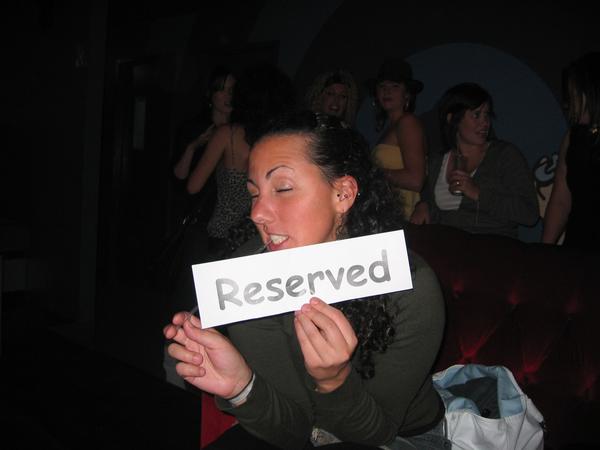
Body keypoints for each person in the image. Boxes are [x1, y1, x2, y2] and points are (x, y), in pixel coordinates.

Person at [164, 111, 448, 449]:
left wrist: (334, 381)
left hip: (403, 435)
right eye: (254, 193)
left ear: (343, 194)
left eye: (283, 188)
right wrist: (242, 386)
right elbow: (296, 431)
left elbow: (376, 434)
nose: (257, 213)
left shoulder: (410, 286)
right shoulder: (248, 277)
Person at [185, 62, 295, 260]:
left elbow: (193, 186)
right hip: (263, 234)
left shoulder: (227, 134)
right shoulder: (281, 140)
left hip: (223, 234)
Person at [410, 83, 539, 238]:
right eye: (476, 115)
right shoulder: (437, 161)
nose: (484, 123)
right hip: (447, 245)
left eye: (487, 115)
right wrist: (423, 206)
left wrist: (477, 193)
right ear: (452, 119)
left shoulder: (504, 155)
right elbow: (437, 211)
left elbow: (529, 214)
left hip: (492, 245)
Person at [542, 52, 600, 252]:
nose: (568, 102)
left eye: (573, 92)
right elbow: (560, 200)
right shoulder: (573, 137)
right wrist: (544, 252)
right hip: (578, 247)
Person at [369, 58, 427, 220]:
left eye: (395, 86)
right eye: (382, 86)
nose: (387, 91)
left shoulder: (407, 122)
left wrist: (372, 173)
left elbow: (416, 179)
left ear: (406, 94)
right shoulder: (393, 126)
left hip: (401, 216)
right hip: (387, 213)